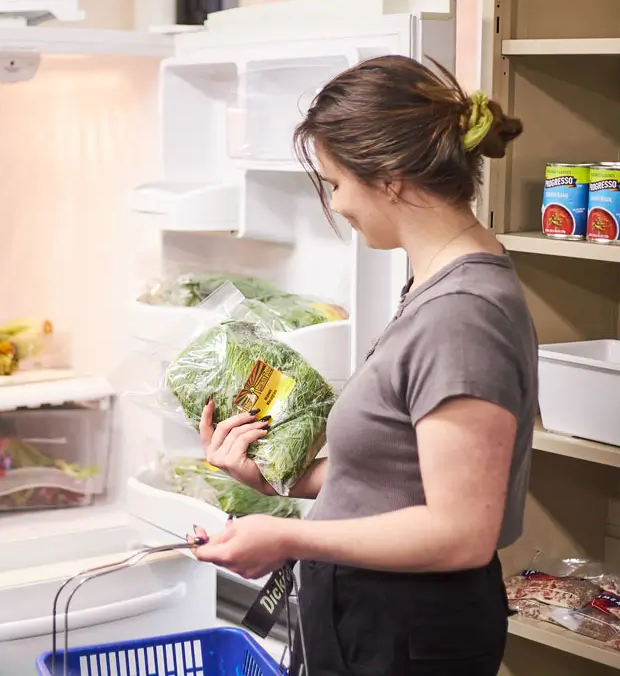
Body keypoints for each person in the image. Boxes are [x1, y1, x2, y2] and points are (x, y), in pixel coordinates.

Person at [189, 55, 537, 676]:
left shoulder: (462, 316)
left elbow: (459, 532)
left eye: (336, 182)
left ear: (392, 180)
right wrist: (279, 480)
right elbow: (401, 472)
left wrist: (287, 536)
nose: (338, 203)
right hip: (378, 614)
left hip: (405, 625)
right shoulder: (440, 283)